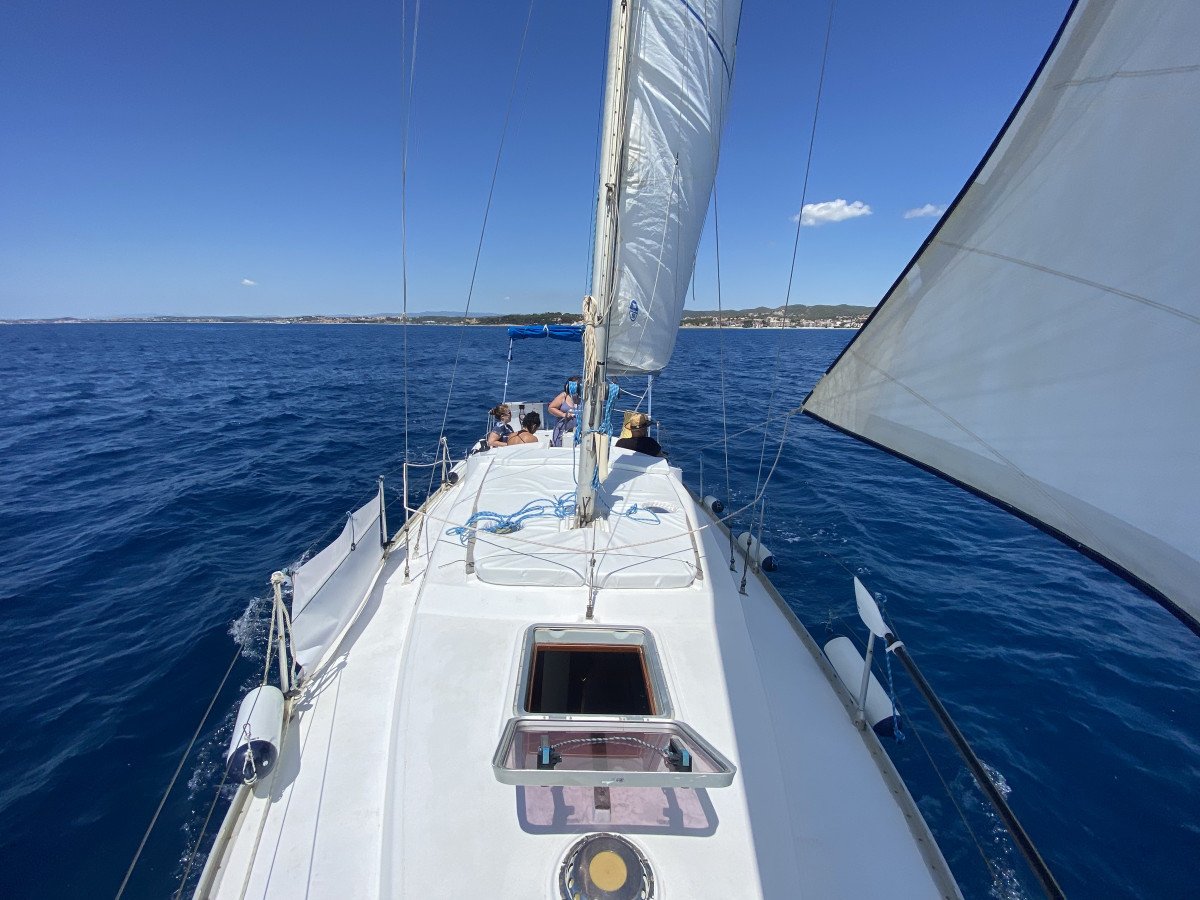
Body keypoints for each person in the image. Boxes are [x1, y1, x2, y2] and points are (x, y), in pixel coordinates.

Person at [549, 377, 580, 447]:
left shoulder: (583, 397)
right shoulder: (564, 396)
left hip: (578, 432)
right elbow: (551, 408)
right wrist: (563, 414)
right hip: (561, 431)